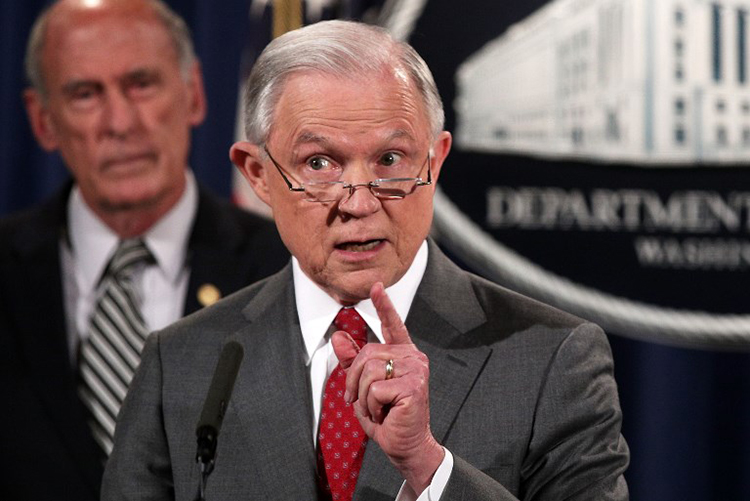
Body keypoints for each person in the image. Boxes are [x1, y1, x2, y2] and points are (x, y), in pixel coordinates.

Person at [102, 20, 629, 501]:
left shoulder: (551, 359)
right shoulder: (184, 363)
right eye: (318, 163)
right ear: (258, 174)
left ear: (436, 159)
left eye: (390, 160)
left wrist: (429, 467)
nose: (358, 202)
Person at [0, 1, 289, 500]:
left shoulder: (287, 267)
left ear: (194, 93)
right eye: (85, 94)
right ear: (43, 120)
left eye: (141, 84)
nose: (120, 122)